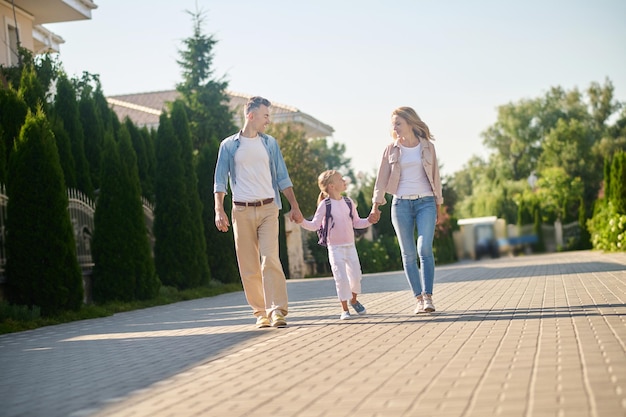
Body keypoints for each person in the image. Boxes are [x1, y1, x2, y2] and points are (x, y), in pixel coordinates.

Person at [214, 96, 303, 328]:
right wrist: (219, 210)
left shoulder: (270, 144)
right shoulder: (229, 145)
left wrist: (294, 205)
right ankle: (260, 312)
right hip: (241, 211)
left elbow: (282, 176)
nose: (268, 121)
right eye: (265, 116)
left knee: (270, 258)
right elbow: (220, 180)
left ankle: (277, 311)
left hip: (268, 208)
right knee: (248, 264)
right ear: (250, 116)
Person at [370, 107, 443, 314]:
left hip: (426, 203)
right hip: (400, 204)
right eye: (393, 124)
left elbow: (436, 177)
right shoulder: (391, 149)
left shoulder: (427, 147)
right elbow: (381, 180)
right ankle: (418, 299)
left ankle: (428, 297)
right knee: (408, 254)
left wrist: (438, 204)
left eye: (398, 123)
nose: (395, 127)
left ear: (410, 123)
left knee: (424, 249)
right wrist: (376, 205)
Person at [297, 170, 376, 320]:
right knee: (341, 278)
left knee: (356, 276)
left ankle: (354, 300)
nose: (344, 181)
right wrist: (301, 220)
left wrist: (369, 220)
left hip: (350, 246)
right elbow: (314, 225)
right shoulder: (325, 205)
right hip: (335, 248)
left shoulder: (348, 202)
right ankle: (345, 310)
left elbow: (357, 222)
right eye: (341, 179)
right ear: (332, 186)